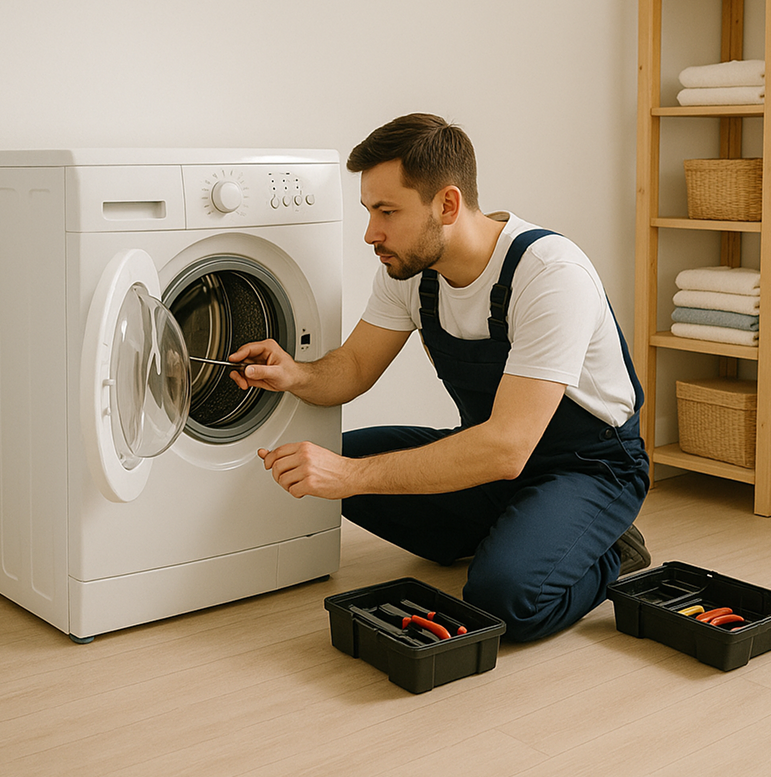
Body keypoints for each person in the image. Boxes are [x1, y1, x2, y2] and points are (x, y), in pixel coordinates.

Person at [229, 113, 651, 642]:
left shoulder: (549, 275)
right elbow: (354, 367)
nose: (370, 234)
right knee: (334, 457)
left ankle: (608, 549)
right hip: (492, 461)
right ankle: (522, 529)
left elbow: (506, 447)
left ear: (447, 205)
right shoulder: (410, 271)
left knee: (504, 600)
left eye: (387, 212)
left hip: (588, 467)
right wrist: (295, 373)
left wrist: (350, 476)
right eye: (368, 211)